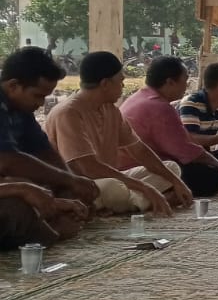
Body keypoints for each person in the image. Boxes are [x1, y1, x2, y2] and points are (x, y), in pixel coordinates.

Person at [44, 51, 194, 216]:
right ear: (106, 84)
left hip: (112, 179)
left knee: (171, 168)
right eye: (121, 81)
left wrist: (176, 182)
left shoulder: (111, 110)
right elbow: (87, 167)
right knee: (114, 188)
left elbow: (139, 150)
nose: (123, 87)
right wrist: (144, 187)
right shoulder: (69, 113)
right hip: (82, 185)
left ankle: (133, 203)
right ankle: (141, 202)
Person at [0, 47, 95, 245]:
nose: (41, 104)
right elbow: (7, 161)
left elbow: (44, 151)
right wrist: (22, 189)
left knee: (66, 190)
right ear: (13, 86)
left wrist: (71, 185)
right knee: (18, 210)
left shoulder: (20, 108)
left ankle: (47, 225)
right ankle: (48, 232)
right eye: (37, 96)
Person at [121, 57, 218, 197]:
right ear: (170, 82)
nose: (187, 85)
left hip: (146, 164)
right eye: (185, 80)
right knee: (211, 176)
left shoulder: (141, 98)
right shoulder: (161, 106)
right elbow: (191, 152)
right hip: (137, 169)